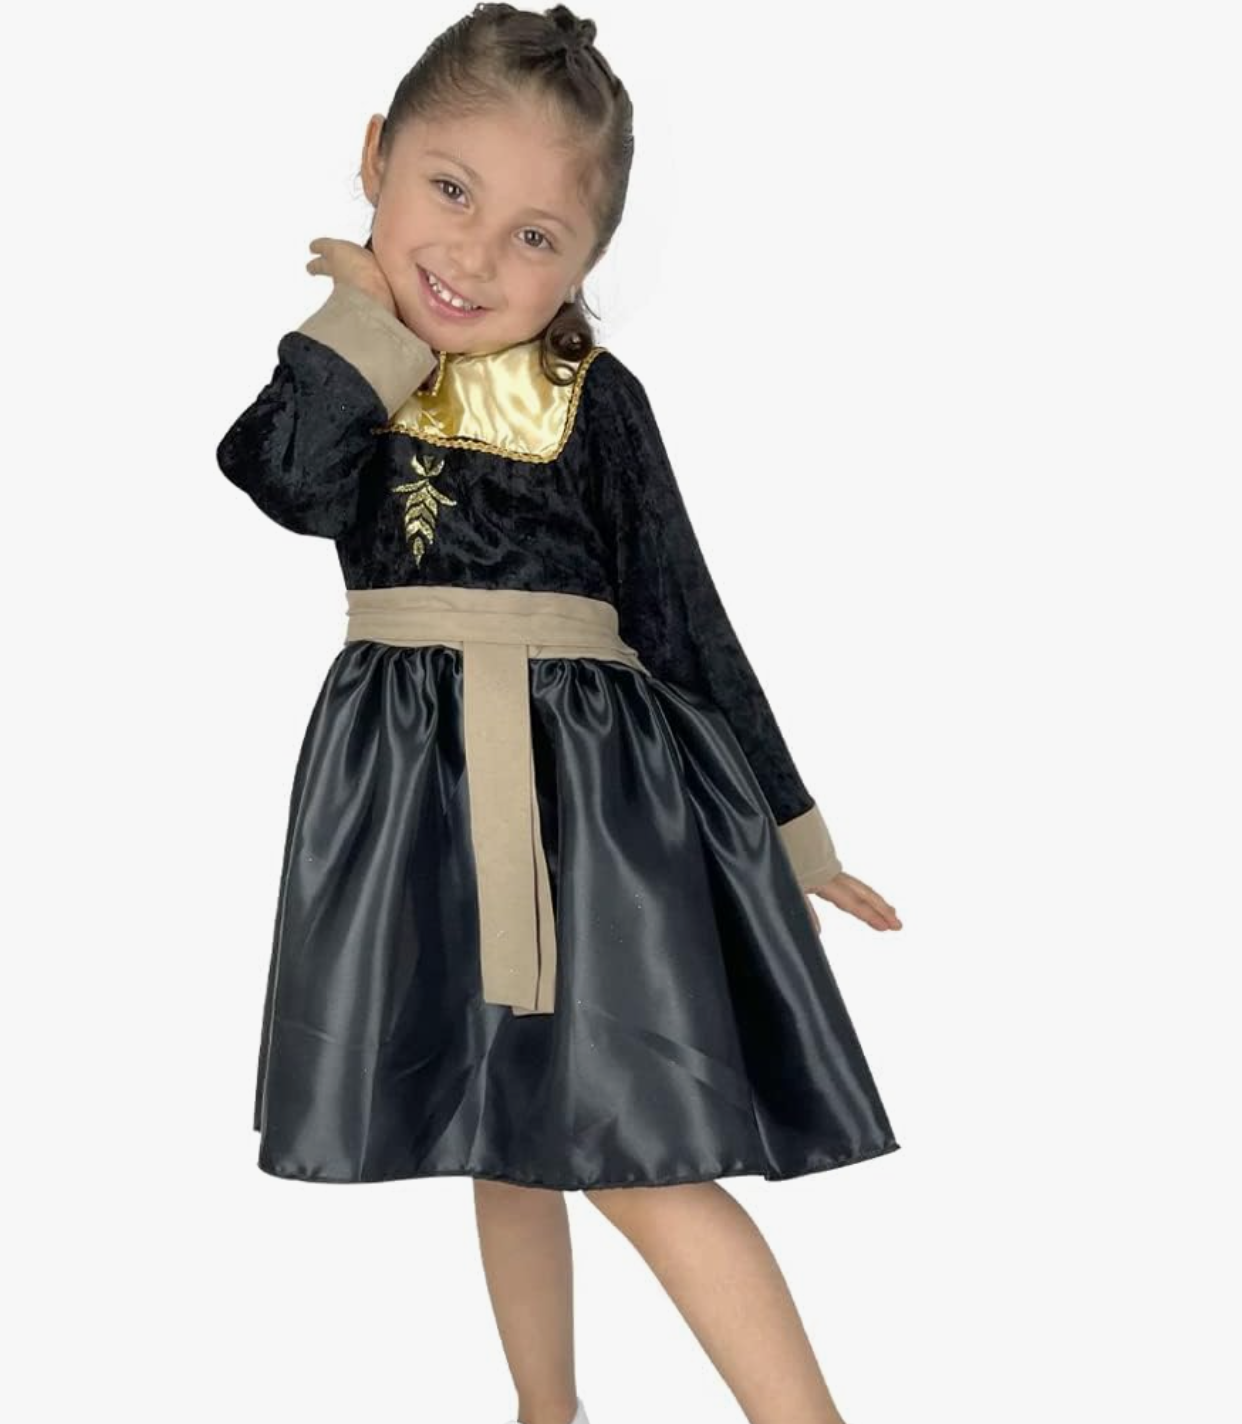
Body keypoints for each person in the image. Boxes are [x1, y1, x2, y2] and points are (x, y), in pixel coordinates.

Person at [215, 6, 904, 1423]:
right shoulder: (352, 372)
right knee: (501, 1119)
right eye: (448, 190)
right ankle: (549, 1412)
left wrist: (792, 833)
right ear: (373, 158)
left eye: (535, 234)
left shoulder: (595, 398)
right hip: (412, 789)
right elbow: (283, 480)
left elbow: (684, 616)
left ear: (587, 262)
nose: (473, 255)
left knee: (629, 1146)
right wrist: (360, 317)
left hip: (590, 798)